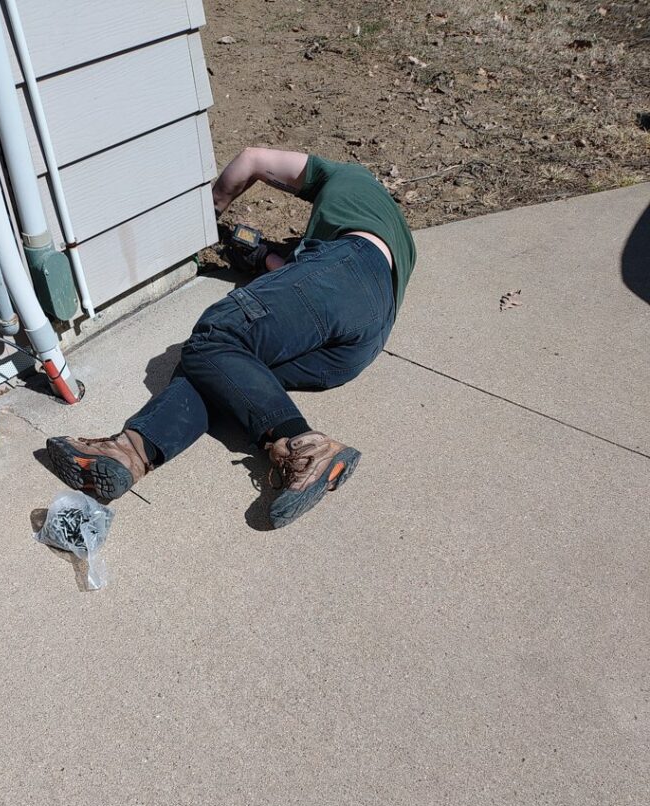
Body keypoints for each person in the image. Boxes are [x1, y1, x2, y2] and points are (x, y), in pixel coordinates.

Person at [46, 148, 416, 528]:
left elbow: (252, 160)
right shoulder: (392, 234)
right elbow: (319, 295)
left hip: (345, 267)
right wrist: (262, 257)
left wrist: (210, 212)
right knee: (226, 374)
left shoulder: (347, 176)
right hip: (362, 341)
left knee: (215, 338)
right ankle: (131, 451)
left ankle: (304, 445)